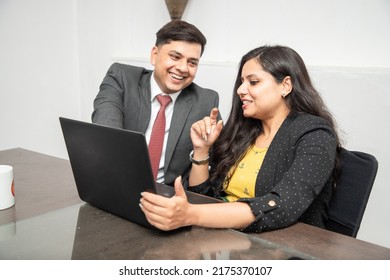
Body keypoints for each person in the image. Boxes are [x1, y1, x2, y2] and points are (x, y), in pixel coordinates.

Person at [140, 45, 342, 233]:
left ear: (286, 85)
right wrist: (202, 150)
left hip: (281, 247)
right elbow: (205, 198)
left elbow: (284, 204)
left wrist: (191, 215)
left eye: (253, 82)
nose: (240, 90)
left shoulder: (315, 133)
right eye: (241, 82)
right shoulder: (245, 131)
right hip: (224, 239)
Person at [92, 20, 220, 185]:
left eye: (192, 62)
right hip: (117, 183)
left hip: (168, 197)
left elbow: (215, 165)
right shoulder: (121, 77)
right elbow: (107, 132)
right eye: (175, 57)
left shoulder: (206, 101)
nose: (183, 68)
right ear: (154, 55)